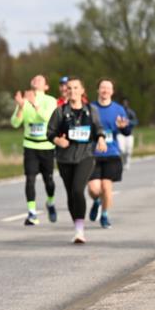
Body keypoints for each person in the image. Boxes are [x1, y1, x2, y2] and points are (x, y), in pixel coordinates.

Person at [47, 76, 105, 244]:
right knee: (71, 194)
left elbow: (98, 128)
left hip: (85, 156)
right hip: (65, 158)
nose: (72, 91)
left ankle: (80, 231)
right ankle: (77, 226)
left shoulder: (91, 110)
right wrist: (58, 140)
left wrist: (100, 139)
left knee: (78, 190)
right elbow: (49, 132)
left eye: (75, 88)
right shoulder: (60, 111)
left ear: (82, 90)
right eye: (69, 88)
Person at [10, 74, 58, 226]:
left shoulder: (50, 100)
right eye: (35, 79)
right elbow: (15, 123)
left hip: (47, 146)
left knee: (48, 181)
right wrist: (21, 107)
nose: (37, 80)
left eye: (41, 79)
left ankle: (50, 202)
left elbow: (48, 118)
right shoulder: (24, 100)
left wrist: (34, 104)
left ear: (46, 86)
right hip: (30, 146)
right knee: (30, 179)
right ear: (31, 82)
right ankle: (31, 213)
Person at [87, 78, 133, 229]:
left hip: (112, 153)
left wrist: (123, 127)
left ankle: (105, 215)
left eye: (108, 88)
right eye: (102, 88)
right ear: (98, 90)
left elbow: (126, 132)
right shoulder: (90, 107)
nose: (105, 90)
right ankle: (97, 201)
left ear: (112, 92)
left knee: (106, 187)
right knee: (94, 189)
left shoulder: (119, 109)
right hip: (92, 154)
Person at [117, 98, 139, 168]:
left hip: (129, 134)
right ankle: (122, 161)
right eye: (123, 103)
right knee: (121, 149)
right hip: (120, 133)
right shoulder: (117, 112)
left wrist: (128, 122)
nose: (124, 105)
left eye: (126, 103)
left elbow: (136, 121)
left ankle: (127, 161)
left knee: (128, 150)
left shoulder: (131, 112)